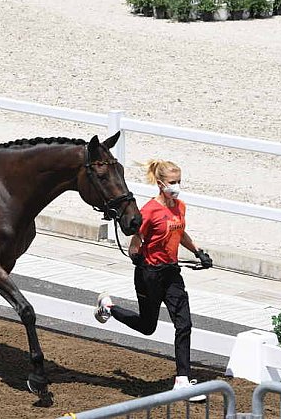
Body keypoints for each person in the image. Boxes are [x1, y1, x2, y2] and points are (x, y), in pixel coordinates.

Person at [94, 159, 213, 402]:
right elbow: (135, 244)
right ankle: (109, 307)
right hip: (149, 275)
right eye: (172, 182)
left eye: (179, 181)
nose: (177, 186)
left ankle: (182, 379)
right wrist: (138, 259)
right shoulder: (148, 211)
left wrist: (198, 251)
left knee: (184, 324)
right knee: (148, 327)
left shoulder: (179, 206)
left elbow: (180, 233)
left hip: (172, 274)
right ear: (160, 184)